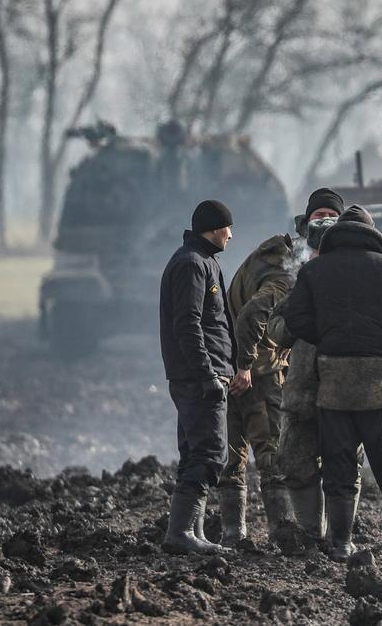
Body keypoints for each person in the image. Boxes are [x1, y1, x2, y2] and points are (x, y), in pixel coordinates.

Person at [282, 205, 382, 563]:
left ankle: (340, 544)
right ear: (372, 233)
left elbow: (296, 318)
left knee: (338, 462)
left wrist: (328, 338)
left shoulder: (314, 270)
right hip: (378, 376)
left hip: (332, 375)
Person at [216, 194, 332, 546]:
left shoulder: (273, 255)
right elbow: (254, 313)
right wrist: (246, 365)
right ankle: (285, 533)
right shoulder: (286, 272)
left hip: (232, 364)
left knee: (232, 451)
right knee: (274, 452)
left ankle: (233, 533)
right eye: (320, 215)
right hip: (258, 371)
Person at [158, 199, 239, 555]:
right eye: (227, 228)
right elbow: (188, 325)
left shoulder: (204, 261)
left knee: (195, 452)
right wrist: (208, 375)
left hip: (203, 374)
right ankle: (181, 534)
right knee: (209, 454)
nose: (231, 235)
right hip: (198, 378)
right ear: (214, 227)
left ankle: (194, 532)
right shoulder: (192, 265)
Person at [266, 189, 345, 541]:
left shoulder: (360, 262)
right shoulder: (293, 268)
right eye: (318, 215)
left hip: (346, 384)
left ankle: (340, 538)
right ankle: (312, 533)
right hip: (301, 380)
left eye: (331, 213)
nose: (324, 220)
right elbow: (277, 326)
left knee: (342, 463)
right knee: (294, 457)